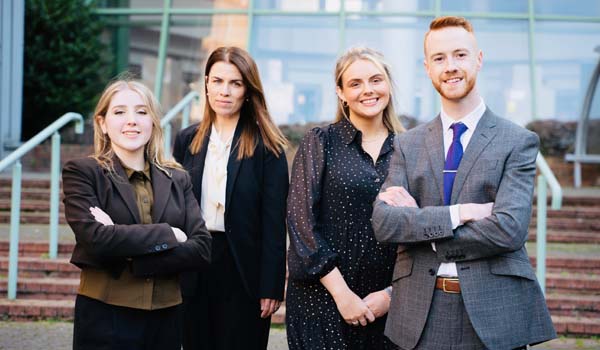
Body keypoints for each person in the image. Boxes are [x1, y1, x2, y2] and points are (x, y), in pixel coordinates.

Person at [372, 16, 556, 350]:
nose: (450, 66)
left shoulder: (517, 141)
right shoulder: (406, 145)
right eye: (439, 58)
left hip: (494, 312)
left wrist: (422, 229)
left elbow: (508, 229)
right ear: (427, 68)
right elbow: (385, 223)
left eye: (460, 55)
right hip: (419, 313)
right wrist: (461, 213)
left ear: (479, 59)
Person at [62, 78, 212, 350]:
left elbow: (201, 248)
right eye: (119, 112)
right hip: (106, 316)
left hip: (167, 318)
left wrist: (130, 252)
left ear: (153, 122)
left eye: (142, 112)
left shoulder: (178, 178)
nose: (132, 120)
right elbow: (96, 239)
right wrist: (170, 234)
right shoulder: (83, 172)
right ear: (102, 123)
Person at [286, 47, 404, 350]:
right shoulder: (321, 142)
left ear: (388, 84)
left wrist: (391, 295)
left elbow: (422, 230)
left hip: (388, 305)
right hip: (322, 300)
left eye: (376, 80)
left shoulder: (410, 149)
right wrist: (343, 295)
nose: (368, 90)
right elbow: (301, 224)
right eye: (355, 83)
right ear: (340, 92)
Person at [173, 46, 289, 350]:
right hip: (195, 265)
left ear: (247, 91)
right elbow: (175, 209)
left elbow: (274, 221)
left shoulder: (268, 146)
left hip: (244, 272)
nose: (225, 91)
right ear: (207, 84)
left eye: (235, 83)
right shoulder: (187, 140)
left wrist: (272, 284)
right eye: (218, 81)